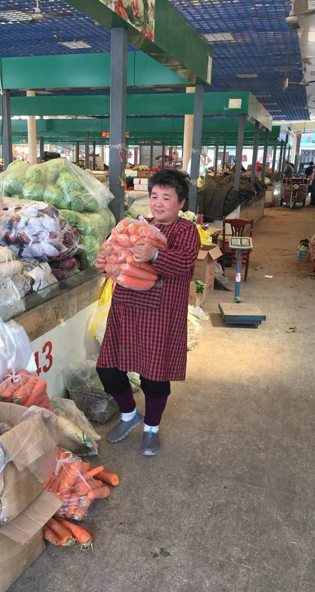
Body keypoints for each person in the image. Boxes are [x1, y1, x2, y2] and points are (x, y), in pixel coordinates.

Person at [96, 169, 200, 457]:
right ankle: (129, 414)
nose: (158, 203)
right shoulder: (136, 226)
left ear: (181, 203)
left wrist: (155, 255)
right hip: (125, 308)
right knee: (107, 368)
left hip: (160, 314)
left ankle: (151, 428)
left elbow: (185, 264)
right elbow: (117, 256)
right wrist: (106, 260)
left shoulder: (185, 231)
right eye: (154, 196)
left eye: (167, 197)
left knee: (154, 377)